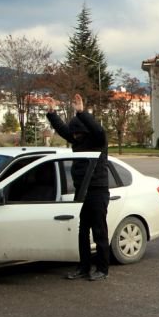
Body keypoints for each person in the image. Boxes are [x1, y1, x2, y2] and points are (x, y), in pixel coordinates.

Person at [47, 94, 110, 281]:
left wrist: (82, 112)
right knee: (83, 231)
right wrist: (52, 113)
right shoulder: (78, 141)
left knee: (99, 232)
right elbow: (63, 130)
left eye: (77, 133)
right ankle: (83, 268)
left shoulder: (98, 141)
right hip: (82, 191)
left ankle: (102, 269)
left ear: (84, 131)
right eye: (73, 134)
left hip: (98, 191)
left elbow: (98, 129)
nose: (73, 136)